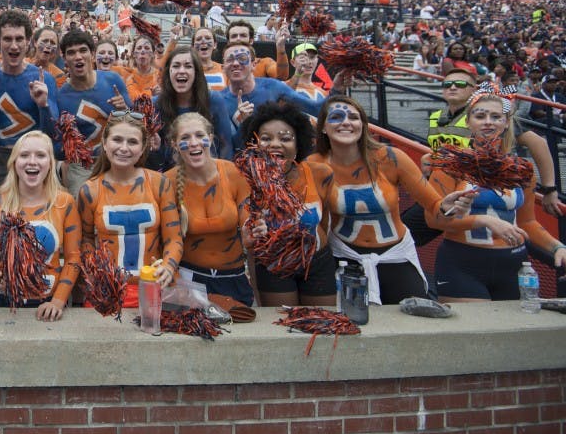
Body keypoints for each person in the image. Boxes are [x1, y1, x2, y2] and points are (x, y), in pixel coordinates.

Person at [308, 97, 472, 305]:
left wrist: (449, 208)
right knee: (353, 326)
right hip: (344, 256)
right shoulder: (313, 165)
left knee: (411, 322)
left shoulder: (391, 158)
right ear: (323, 127)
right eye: (336, 117)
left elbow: (435, 206)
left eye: (354, 117)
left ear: (363, 125)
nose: (346, 122)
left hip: (396, 255)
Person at [426, 90, 566, 303]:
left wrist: (557, 247)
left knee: (515, 333)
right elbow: (434, 219)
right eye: (480, 116)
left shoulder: (522, 169)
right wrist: (484, 220)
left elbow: (528, 222)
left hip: (514, 264)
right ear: (468, 121)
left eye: (496, 117)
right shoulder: (449, 165)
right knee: (475, 333)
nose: (488, 123)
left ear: (507, 123)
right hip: (462, 262)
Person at [0, 132, 81, 320]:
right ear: (14, 162)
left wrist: (58, 301)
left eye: (40, 155)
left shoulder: (65, 202)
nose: (32, 161)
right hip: (4, 301)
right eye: (24, 155)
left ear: (51, 163)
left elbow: (73, 258)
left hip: (48, 302)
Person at [77, 111, 182, 306]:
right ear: (105, 143)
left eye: (132, 142)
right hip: (106, 293)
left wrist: (168, 267)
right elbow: (86, 239)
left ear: (143, 148)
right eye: (117, 139)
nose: (124, 148)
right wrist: (95, 272)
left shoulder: (160, 184)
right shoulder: (89, 190)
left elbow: (173, 238)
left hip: (154, 289)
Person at [423, 69, 561, 217]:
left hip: (483, 186)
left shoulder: (492, 115)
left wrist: (549, 188)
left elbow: (538, 143)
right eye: (447, 84)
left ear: (473, 88)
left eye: (460, 83)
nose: (453, 87)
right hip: (445, 184)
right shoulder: (438, 116)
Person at [240, 102, 337, 307]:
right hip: (272, 265)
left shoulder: (321, 173)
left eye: (285, 138)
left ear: (298, 144)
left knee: (323, 327)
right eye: (266, 138)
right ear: (254, 144)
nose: (275, 144)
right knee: (283, 328)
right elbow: (249, 242)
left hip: (318, 263)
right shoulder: (246, 179)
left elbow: (326, 221)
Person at [164, 112, 255, 305]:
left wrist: (252, 232)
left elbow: (248, 222)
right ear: (174, 144)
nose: (194, 143)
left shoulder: (234, 173)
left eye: (199, 135)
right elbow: (167, 240)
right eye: (185, 138)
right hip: (189, 282)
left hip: (233, 280)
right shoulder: (167, 182)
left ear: (210, 138)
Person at [0, 9, 59, 185]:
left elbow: (53, 132)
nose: (14, 45)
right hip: (4, 158)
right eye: (7, 39)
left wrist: (44, 106)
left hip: (37, 157)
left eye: (19, 39)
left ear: (28, 41)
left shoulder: (44, 79)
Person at [56, 30, 130, 194]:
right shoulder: (61, 98)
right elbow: (60, 146)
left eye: (83, 50)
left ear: (93, 53)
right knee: (81, 202)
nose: (78, 57)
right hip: (83, 166)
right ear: (64, 59)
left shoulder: (113, 80)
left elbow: (136, 125)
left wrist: (124, 109)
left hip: (118, 159)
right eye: (71, 53)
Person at [153, 47, 234, 171]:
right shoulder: (156, 104)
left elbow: (226, 145)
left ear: (196, 72)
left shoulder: (213, 100)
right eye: (176, 66)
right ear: (168, 71)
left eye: (188, 66)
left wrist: (223, 177)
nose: (181, 71)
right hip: (171, 177)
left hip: (209, 174)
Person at [125, 34, 161, 100]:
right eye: (139, 48)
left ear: (153, 54)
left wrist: (161, 95)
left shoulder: (160, 77)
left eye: (147, 48)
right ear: (133, 54)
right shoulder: (126, 74)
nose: (142, 51)